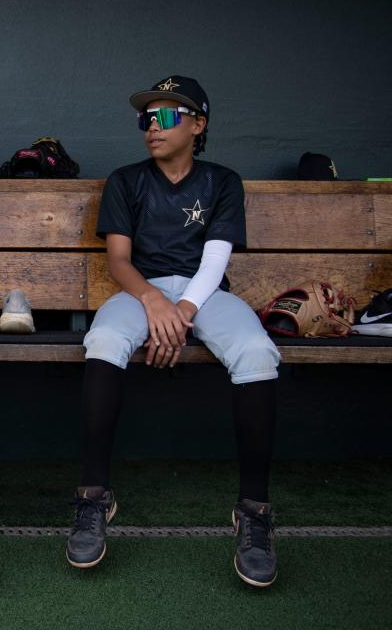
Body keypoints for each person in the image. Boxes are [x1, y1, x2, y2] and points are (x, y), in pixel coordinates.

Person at [67, 76, 281, 587]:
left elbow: (215, 262)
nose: (152, 127)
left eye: (166, 117)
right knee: (103, 340)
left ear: (198, 124)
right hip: (143, 290)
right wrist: (153, 300)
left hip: (203, 295)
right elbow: (118, 259)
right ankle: (93, 499)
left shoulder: (222, 181)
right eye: (146, 118)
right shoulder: (126, 179)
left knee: (257, 351)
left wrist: (179, 312)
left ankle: (254, 511)